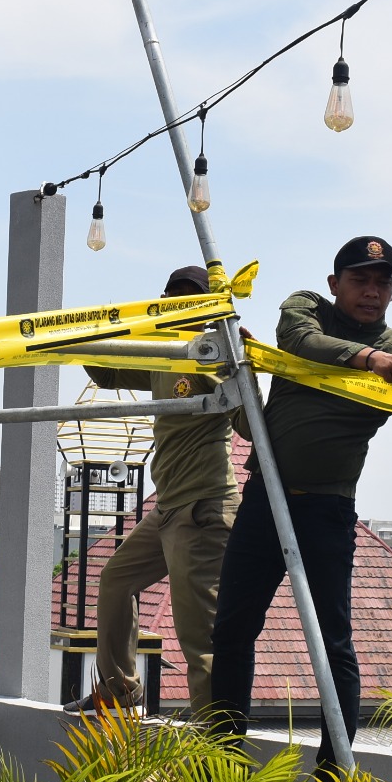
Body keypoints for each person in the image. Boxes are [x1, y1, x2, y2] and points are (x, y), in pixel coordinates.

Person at [209, 236, 392, 773]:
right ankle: (221, 761)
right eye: (360, 280)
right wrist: (369, 360)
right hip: (265, 499)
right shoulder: (306, 307)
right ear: (336, 285)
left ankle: (333, 778)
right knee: (233, 630)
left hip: (328, 512)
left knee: (333, 643)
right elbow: (301, 341)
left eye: (383, 283)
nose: (372, 292)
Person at [64, 264, 238, 717]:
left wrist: (234, 357)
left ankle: (213, 739)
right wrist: (84, 331)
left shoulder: (207, 353)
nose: (178, 305)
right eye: (171, 297)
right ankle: (119, 692)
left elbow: (245, 416)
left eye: (189, 298)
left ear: (205, 308)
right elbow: (107, 371)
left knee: (197, 633)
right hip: (169, 509)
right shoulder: (168, 355)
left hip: (203, 509)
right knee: (116, 581)